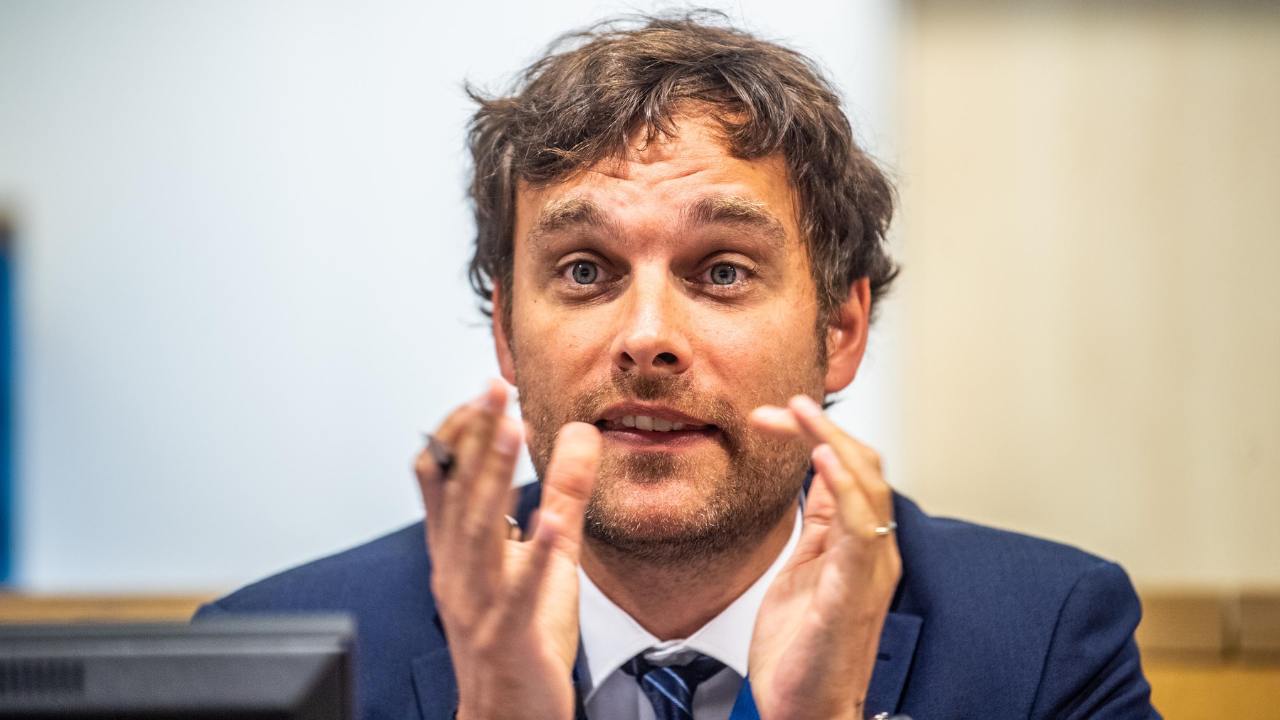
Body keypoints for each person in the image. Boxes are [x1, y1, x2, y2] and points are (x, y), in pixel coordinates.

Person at [195, 13, 1160, 720]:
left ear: (840, 330)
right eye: (585, 270)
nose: (646, 336)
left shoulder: (1042, 642)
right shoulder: (274, 654)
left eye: (723, 271)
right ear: (507, 336)